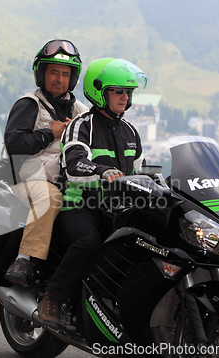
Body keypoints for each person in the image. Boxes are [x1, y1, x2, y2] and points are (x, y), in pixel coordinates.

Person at [36, 58, 147, 328]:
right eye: (117, 90)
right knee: (89, 240)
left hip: (116, 209)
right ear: (99, 91)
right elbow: (73, 163)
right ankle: (53, 296)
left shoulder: (131, 131)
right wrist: (102, 171)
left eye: (128, 91)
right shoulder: (82, 125)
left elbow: (140, 172)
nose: (124, 97)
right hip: (79, 205)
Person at [3, 39, 89, 285]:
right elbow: (14, 144)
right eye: (54, 72)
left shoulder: (81, 112)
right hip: (29, 182)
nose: (59, 79)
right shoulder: (29, 104)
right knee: (50, 197)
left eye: (65, 74)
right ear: (42, 74)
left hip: (69, 183)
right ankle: (23, 259)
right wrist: (49, 133)